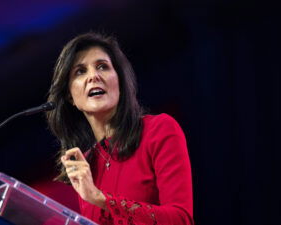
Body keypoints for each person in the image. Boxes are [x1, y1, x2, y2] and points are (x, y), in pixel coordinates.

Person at [46, 32, 193, 225]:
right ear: (70, 97)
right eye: (80, 71)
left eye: (102, 66)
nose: (94, 76)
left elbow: (180, 220)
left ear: (120, 82)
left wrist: (101, 199)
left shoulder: (158, 130)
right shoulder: (86, 165)